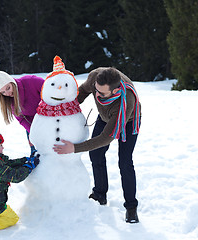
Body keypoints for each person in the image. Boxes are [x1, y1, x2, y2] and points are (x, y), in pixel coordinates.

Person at [53, 67, 141, 223]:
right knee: (96, 155)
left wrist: (75, 148)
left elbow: (105, 138)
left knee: (125, 163)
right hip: (105, 116)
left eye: (102, 93)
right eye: (97, 91)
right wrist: (68, 109)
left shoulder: (126, 100)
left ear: (115, 91)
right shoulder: (95, 78)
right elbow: (83, 91)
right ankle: (100, 194)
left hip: (127, 121)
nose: (98, 95)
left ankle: (131, 207)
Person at [0, 69, 44, 154]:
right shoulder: (10, 102)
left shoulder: (31, 81)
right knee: (37, 154)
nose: (7, 93)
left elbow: (51, 92)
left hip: (53, 119)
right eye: (3, 92)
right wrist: (33, 133)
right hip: (33, 127)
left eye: (8, 88)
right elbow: (22, 119)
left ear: (12, 82)